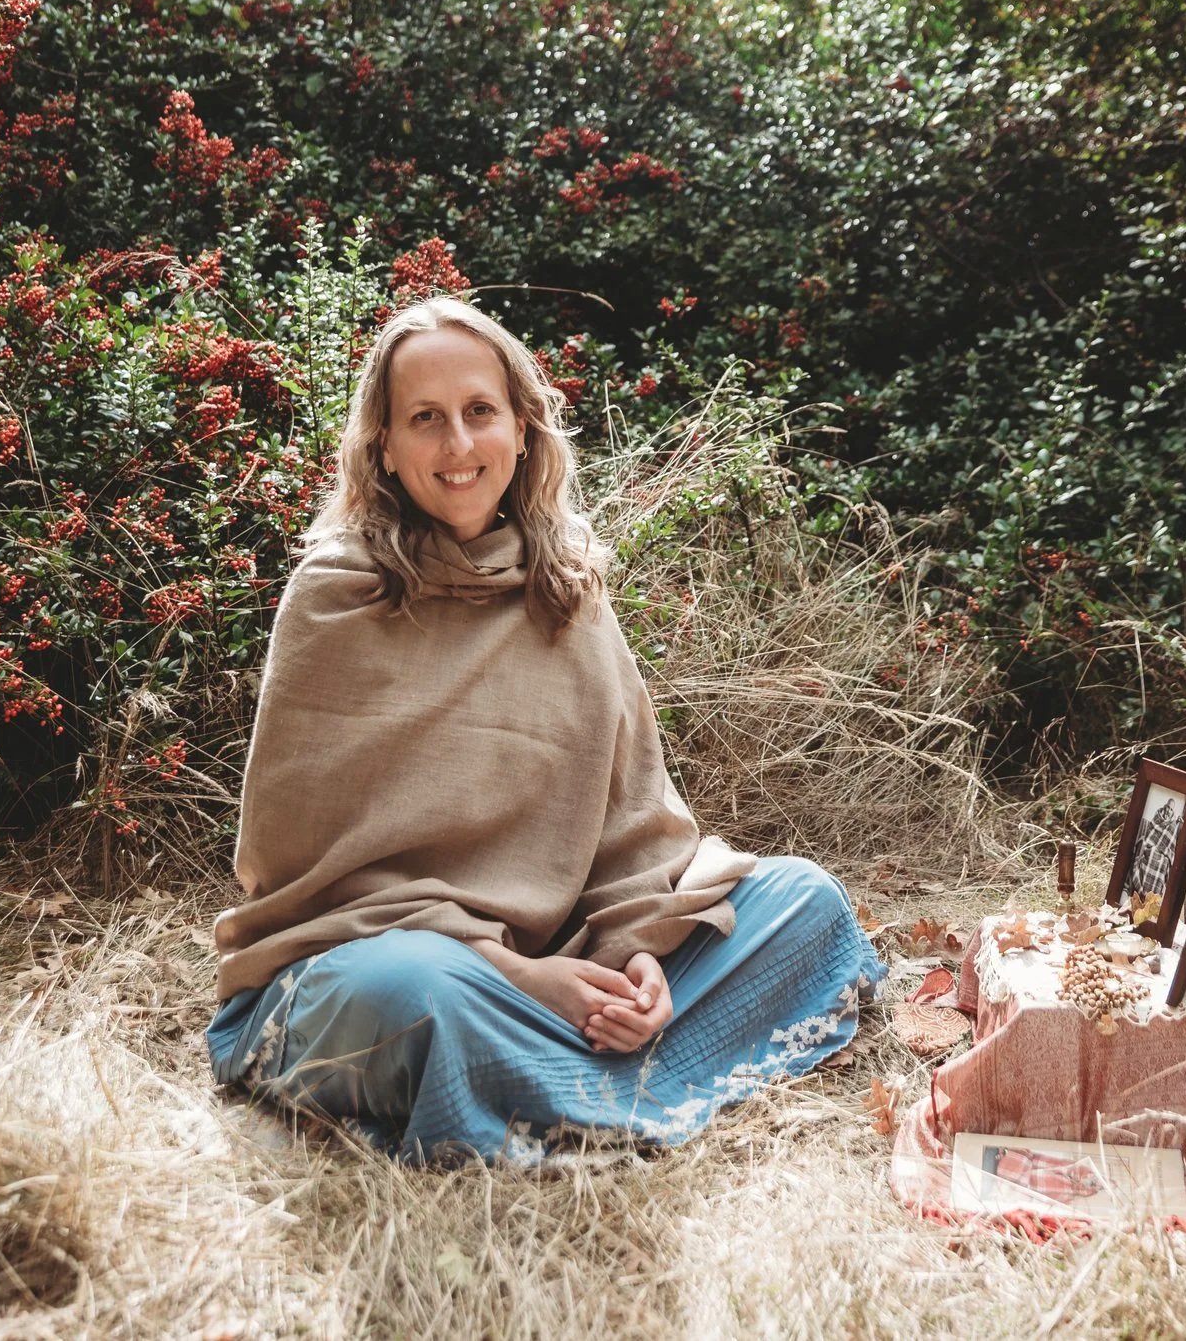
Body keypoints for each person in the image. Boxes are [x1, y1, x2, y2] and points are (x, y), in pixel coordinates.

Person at [207, 295, 884, 1164]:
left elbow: (633, 828)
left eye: (480, 412)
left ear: (523, 430)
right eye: (426, 419)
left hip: (563, 962)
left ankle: (562, 1072)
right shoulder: (337, 594)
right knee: (421, 995)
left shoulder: (565, 588)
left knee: (803, 901)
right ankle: (585, 1076)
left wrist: (635, 961)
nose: (458, 446)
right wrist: (519, 976)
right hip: (392, 969)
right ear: (384, 445)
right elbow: (309, 878)